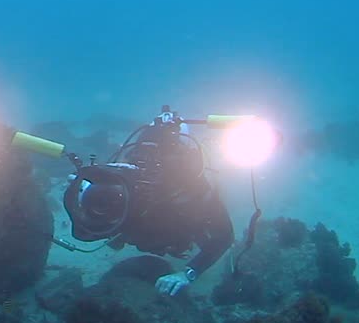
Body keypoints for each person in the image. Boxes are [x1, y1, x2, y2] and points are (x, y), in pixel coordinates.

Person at [61, 108, 234, 296]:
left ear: (185, 161)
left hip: (180, 233)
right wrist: (86, 191)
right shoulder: (121, 177)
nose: (152, 165)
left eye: (168, 159)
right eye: (143, 154)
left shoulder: (195, 189)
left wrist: (189, 272)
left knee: (198, 227)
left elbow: (224, 237)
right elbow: (86, 229)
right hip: (146, 232)